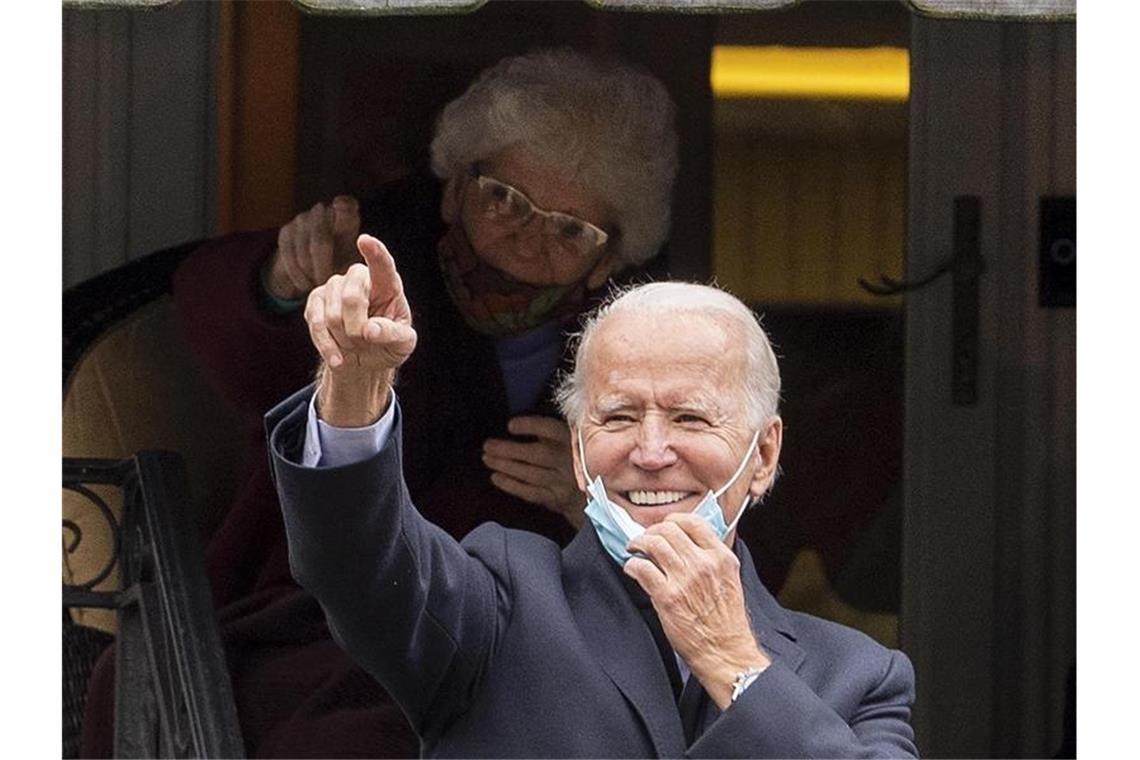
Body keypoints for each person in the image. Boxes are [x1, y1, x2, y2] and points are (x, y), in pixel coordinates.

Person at [81, 49, 679, 758]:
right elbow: (231, 328)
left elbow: (714, 552)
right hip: (329, 632)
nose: (526, 238)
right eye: (505, 201)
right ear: (455, 188)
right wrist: (284, 279)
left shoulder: (648, 342)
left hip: (543, 646)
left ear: (607, 260)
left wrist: (597, 509)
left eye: (569, 230)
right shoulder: (371, 259)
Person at [266, 237, 919, 757]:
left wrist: (732, 662)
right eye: (618, 418)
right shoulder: (502, 598)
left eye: (691, 418)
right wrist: (355, 390)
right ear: (578, 452)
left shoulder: (860, 675)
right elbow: (356, 564)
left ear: (765, 455)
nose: (652, 449)